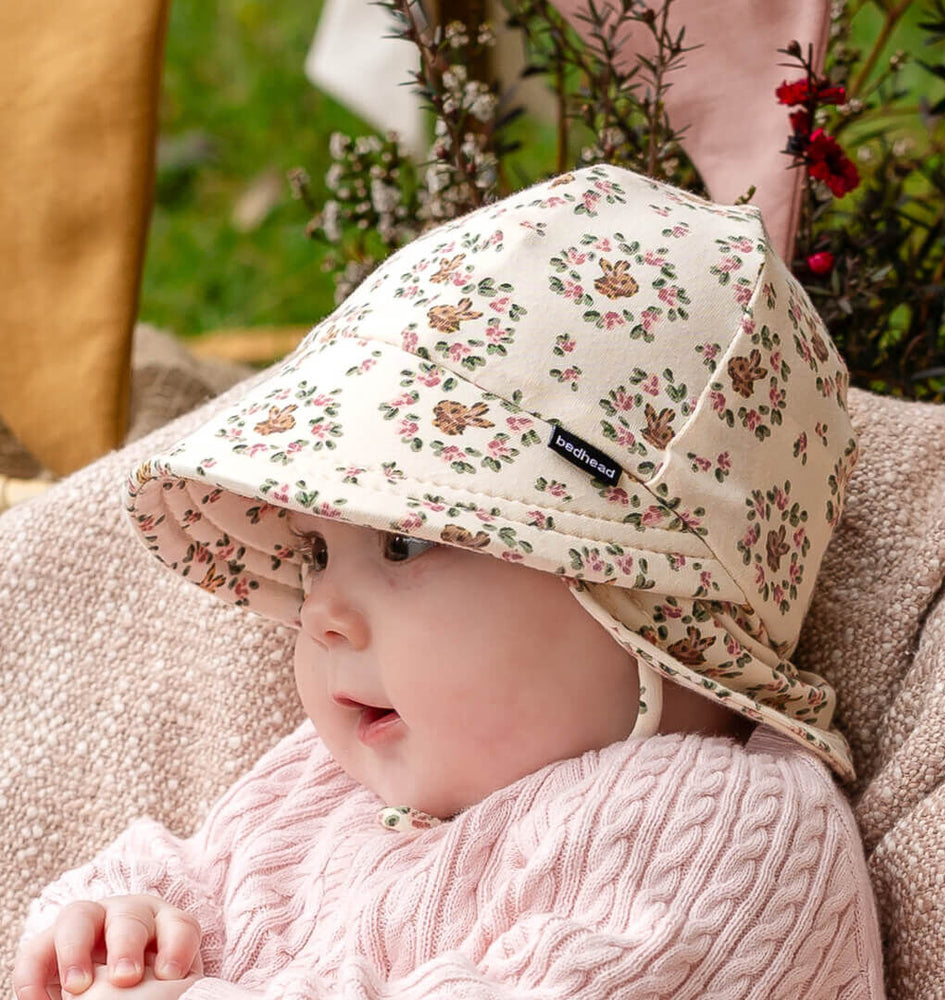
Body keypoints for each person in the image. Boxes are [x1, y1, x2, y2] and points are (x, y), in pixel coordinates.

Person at [13, 164, 884, 1000]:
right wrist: (108, 930)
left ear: (647, 597)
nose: (318, 612)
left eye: (401, 545)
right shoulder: (323, 783)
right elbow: (188, 873)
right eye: (316, 553)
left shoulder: (723, 832)